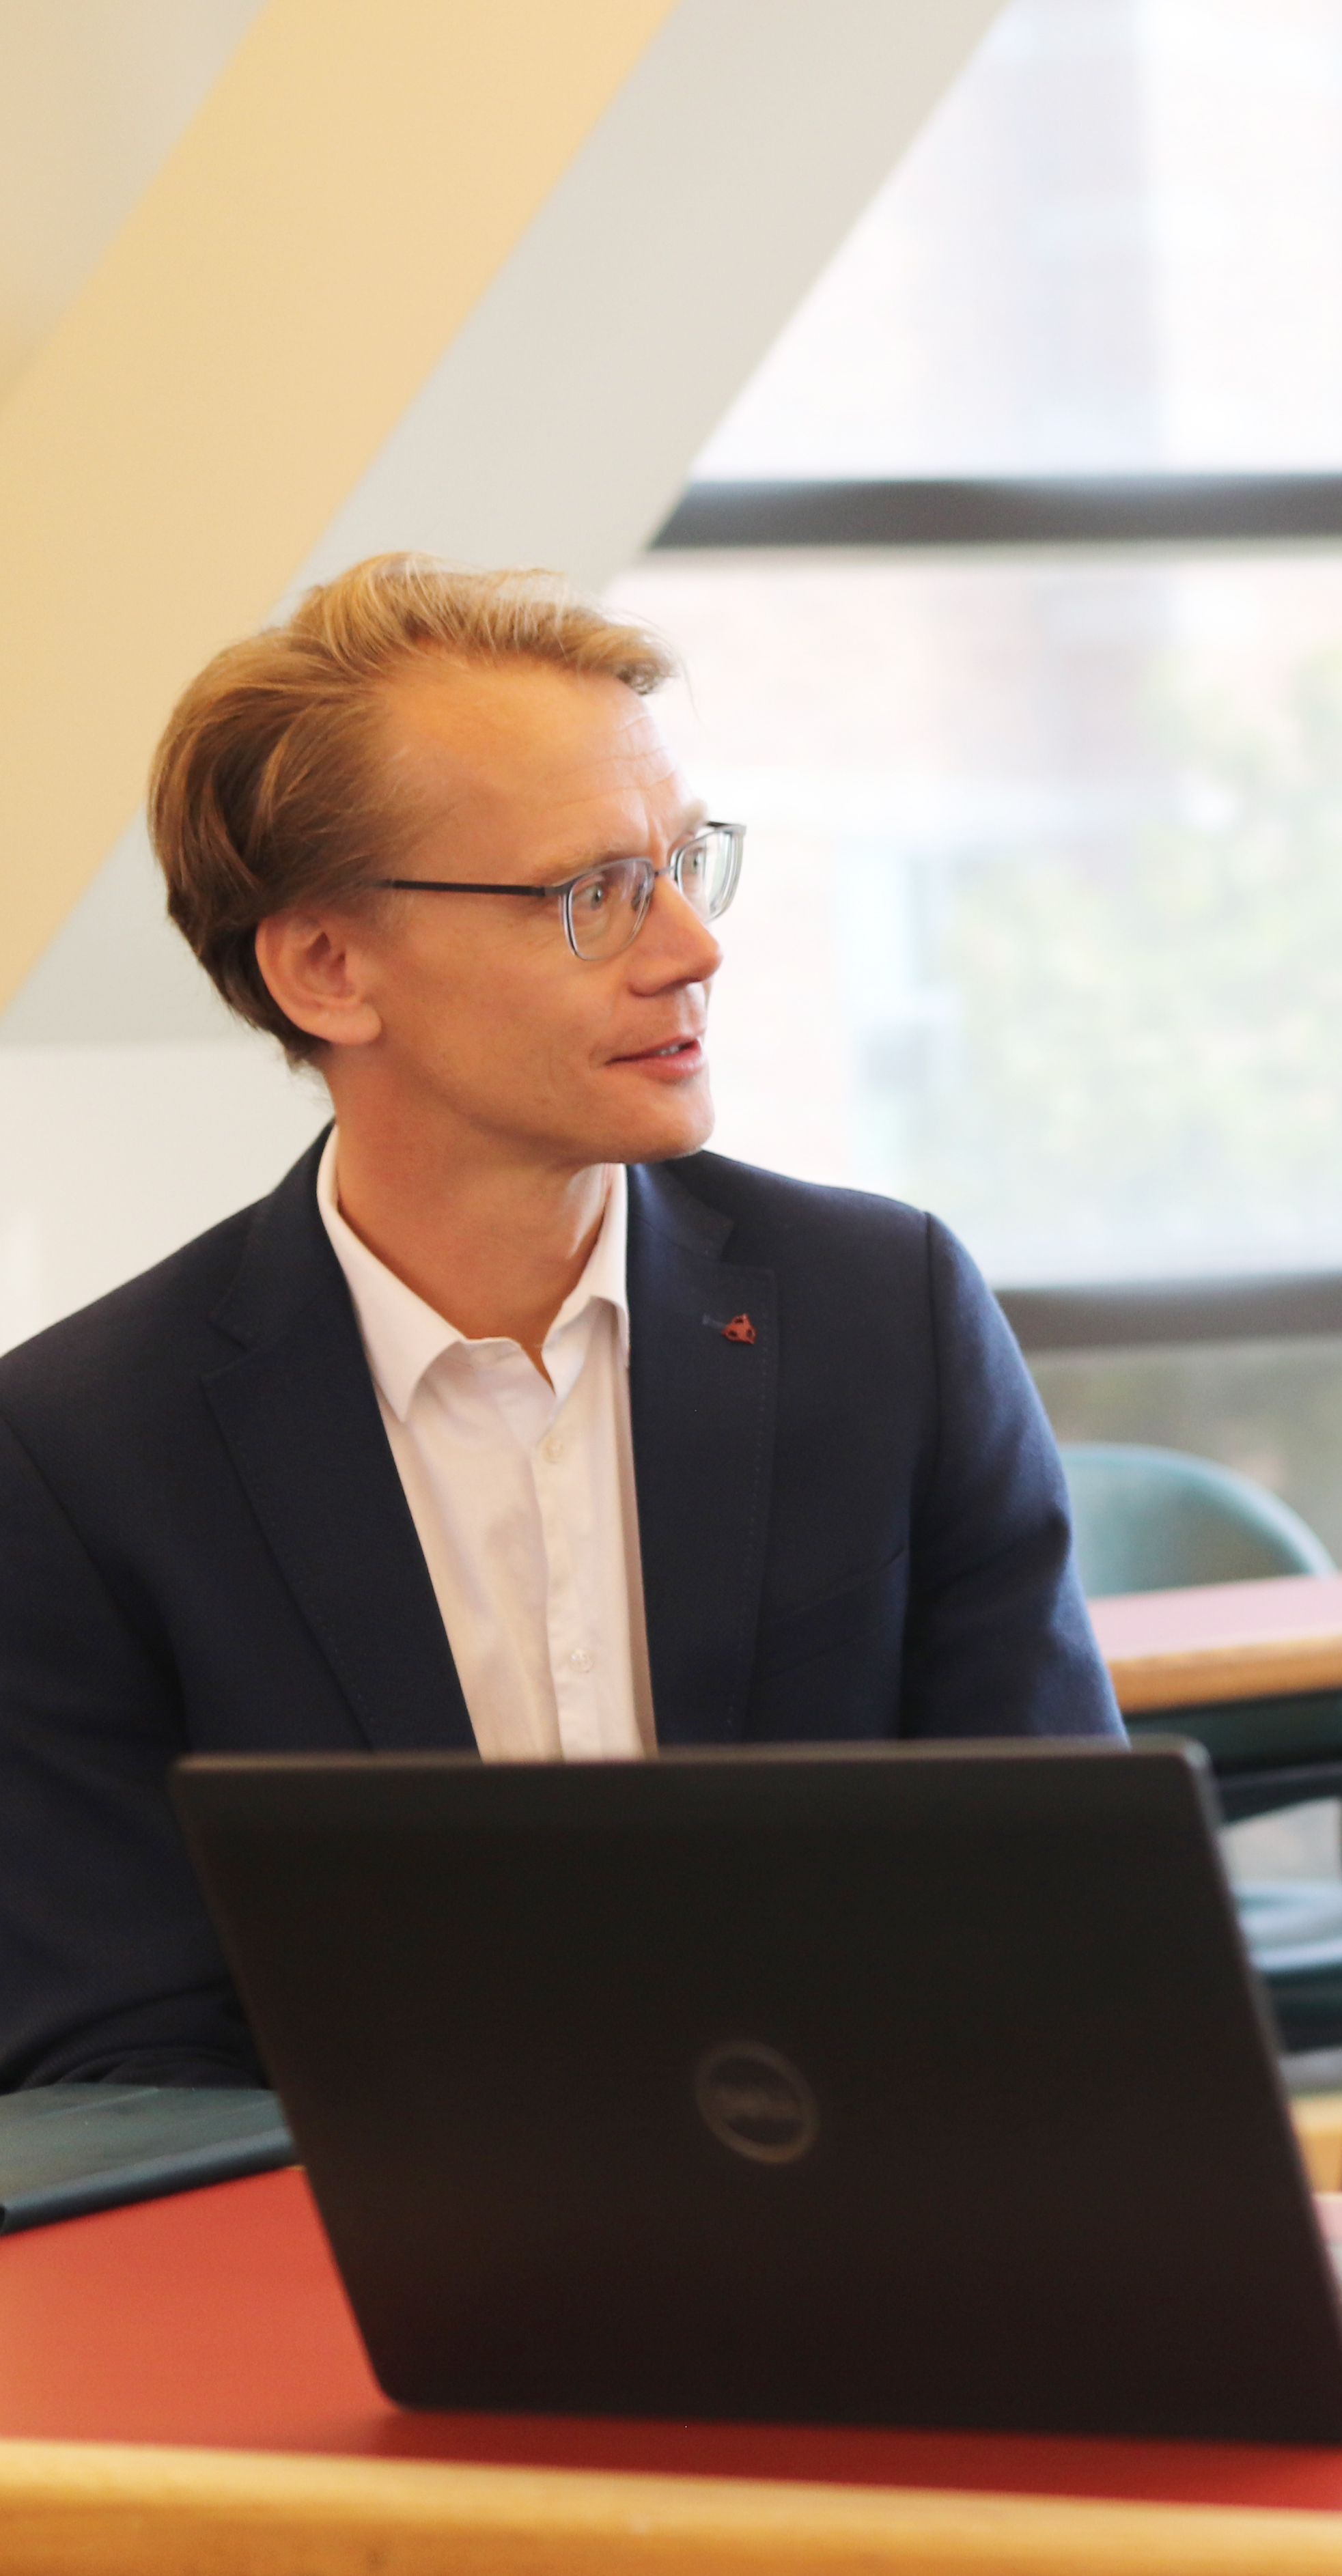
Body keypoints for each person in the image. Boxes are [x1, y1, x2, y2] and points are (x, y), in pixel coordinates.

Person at [0, 555, 1120, 2092]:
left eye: (683, 862)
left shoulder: (888, 1315)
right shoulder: (79, 1452)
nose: (691, 947)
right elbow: (123, 2067)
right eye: (593, 892)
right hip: (371, 2298)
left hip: (884, 2258)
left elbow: (1067, 1918)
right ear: (329, 967)